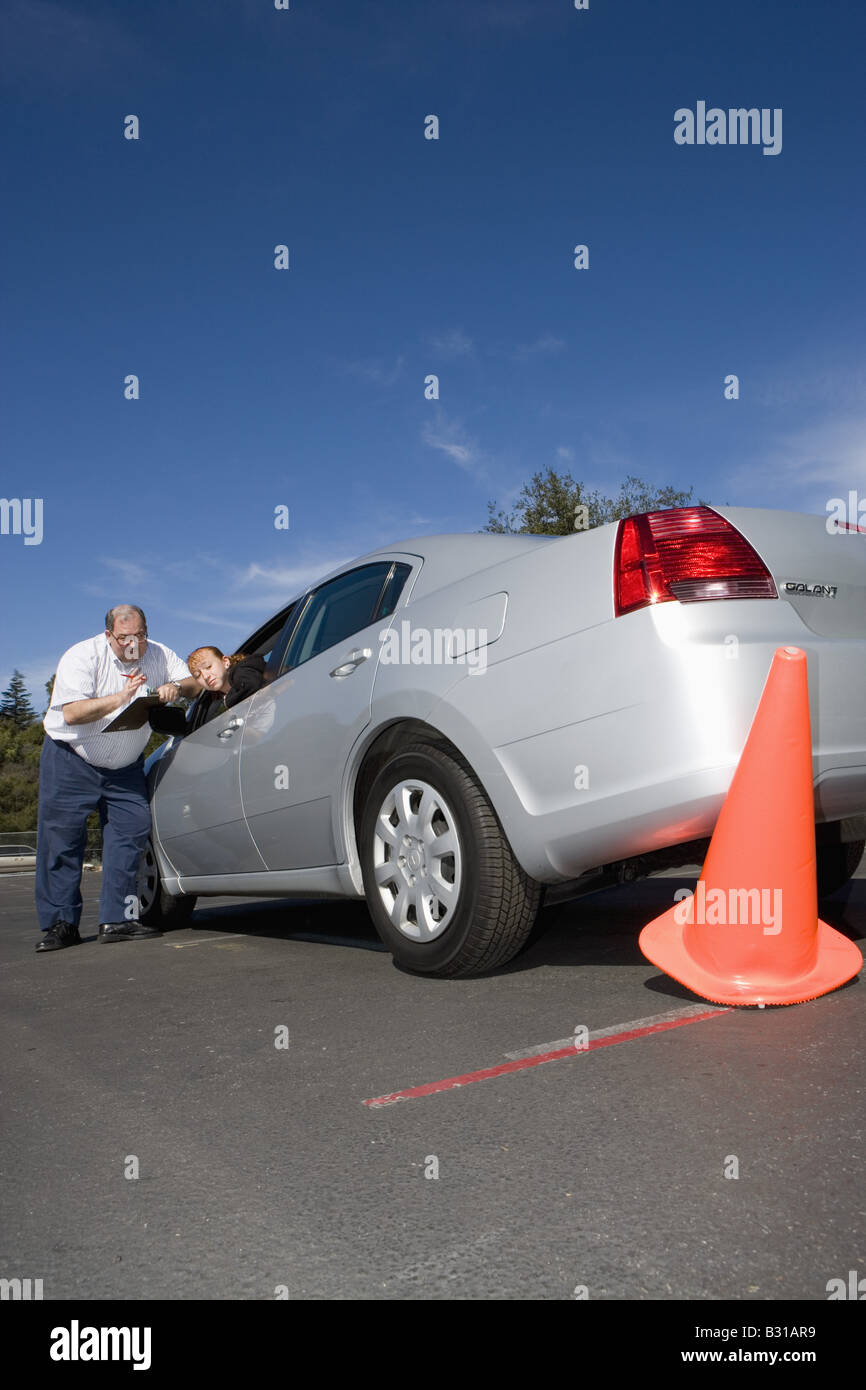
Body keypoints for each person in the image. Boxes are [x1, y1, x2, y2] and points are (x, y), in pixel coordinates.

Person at [35, 606, 200, 952]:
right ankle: (61, 924)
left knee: (131, 834)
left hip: (124, 766)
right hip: (72, 758)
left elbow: (194, 683)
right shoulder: (81, 656)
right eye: (124, 637)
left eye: (139, 635)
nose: (133, 644)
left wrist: (174, 686)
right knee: (62, 842)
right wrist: (120, 699)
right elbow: (72, 712)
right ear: (109, 634)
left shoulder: (157, 652)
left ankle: (119, 919)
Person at [185, 646, 266, 723]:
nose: (205, 676)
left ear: (225, 662)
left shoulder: (244, 671)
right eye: (197, 675)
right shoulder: (215, 701)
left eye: (208, 666)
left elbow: (250, 685)